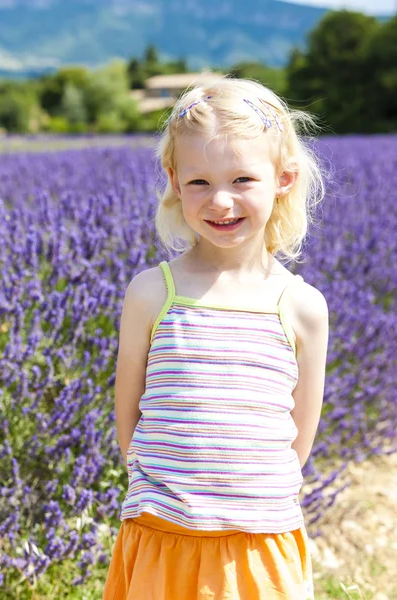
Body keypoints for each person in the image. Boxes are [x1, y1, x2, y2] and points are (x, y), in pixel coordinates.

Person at [103, 74, 329, 599]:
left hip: (257, 546)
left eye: (243, 180)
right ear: (174, 180)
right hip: (164, 534)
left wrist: (242, 502)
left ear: (284, 179)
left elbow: (298, 441)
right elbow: (129, 421)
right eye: (200, 182)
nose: (220, 201)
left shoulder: (301, 307)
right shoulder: (150, 293)